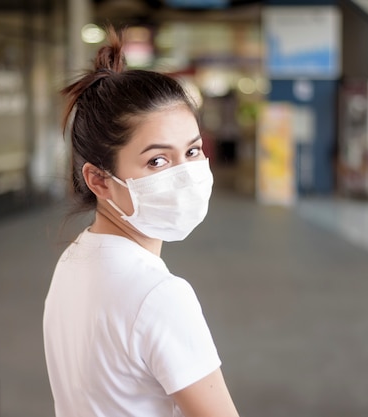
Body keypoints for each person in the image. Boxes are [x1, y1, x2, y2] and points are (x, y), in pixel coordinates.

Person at [43, 26, 240, 417]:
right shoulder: (160, 296)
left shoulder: (73, 262)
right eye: (157, 161)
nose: (186, 174)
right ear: (99, 179)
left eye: (193, 150)